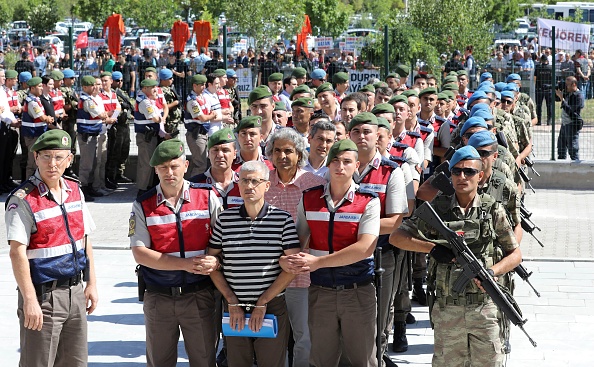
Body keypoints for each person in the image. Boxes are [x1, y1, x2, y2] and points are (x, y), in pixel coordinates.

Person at [390, 146, 521, 367]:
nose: (462, 177)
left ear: (480, 176)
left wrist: (492, 271)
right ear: (449, 175)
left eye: (469, 172)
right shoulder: (437, 209)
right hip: (447, 307)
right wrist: (430, 248)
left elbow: (515, 254)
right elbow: (397, 236)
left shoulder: (492, 210)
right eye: (457, 171)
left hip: (483, 308)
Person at [6, 129, 98, 367]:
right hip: (43, 297)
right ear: (35, 157)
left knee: (76, 363)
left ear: (69, 160)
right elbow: (17, 252)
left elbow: (85, 240)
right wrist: (29, 300)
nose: (52, 163)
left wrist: (92, 283)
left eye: (59, 157)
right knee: (38, 363)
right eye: (46, 156)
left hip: (75, 292)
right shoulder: (23, 199)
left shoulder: (75, 191)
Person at [285, 139, 380, 367]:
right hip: (320, 292)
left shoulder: (368, 201)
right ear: (328, 164)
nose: (340, 166)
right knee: (321, 360)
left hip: (358, 291)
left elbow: (365, 247)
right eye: (335, 161)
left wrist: (318, 262)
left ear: (357, 165)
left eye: (347, 161)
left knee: (362, 360)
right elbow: (298, 240)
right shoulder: (309, 198)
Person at [130, 139, 222, 367]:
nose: (169, 172)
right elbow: (140, 253)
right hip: (159, 297)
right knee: (160, 361)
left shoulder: (207, 196)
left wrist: (216, 261)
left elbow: (223, 239)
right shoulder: (143, 204)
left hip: (199, 295)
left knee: (204, 360)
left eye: (174, 166)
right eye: (162, 168)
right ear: (155, 170)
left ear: (186, 165)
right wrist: (185, 264)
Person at [208, 160, 300, 367]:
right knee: (237, 362)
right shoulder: (225, 220)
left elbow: (293, 267)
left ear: (267, 185)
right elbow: (211, 263)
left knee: (271, 363)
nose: (249, 186)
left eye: (254, 181)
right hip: (233, 306)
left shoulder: (282, 220)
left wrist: (263, 302)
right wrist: (231, 301)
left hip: (272, 306)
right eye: (244, 181)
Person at [264, 127, 327, 367]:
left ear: (299, 154)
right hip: (268, 274)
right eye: (277, 150)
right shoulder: (263, 182)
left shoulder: (315, 184)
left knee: (304, 336)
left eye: (288, 151)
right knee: (274, 335)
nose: (282, 156)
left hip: (303, 274)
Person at [21, 76, 54, 179]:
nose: (41, 88)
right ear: (32, 89)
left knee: (37, 162)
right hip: (32, 135)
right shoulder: (32, 102)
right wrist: (48, 119)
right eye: (39, 86)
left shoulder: (36, 100)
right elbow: (41, 117)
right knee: (32, 163)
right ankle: (29, 187)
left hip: (37, 134)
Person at [184, 74, 217, 176]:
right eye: (201, 85)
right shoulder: (192, 101)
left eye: (204, 84)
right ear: (194, 86)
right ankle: (193, 186)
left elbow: (209, 110)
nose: (204, 87)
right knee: (200, 164)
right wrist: (212, 115)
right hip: (196, 134)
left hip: (203, 133)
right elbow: (202, 118)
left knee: (202, 162)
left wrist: (210, 114)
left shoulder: (202, 97)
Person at [106, 71, 134, 186]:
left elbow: (130, 104)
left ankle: (119, 173)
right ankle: (110, 176)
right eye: (117, 81)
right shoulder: (112, 94)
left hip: (125, 125)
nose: (120, 83)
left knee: (124, 151)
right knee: (114, 152)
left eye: (121, 80)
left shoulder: (122, 93)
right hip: (117, 126)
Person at [556, 76, 584, 161]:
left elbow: (571, 111)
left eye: (567, 85)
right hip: (564, 124)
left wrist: (562, 100)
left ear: (574, 84)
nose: (566, 87)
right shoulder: (568, 92)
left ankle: (576, 170)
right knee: (561, 148)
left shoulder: (578, 96)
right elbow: (556, 99)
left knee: (573, 149)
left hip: (572, 124)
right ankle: (561, 168)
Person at [533, 55, 553, 126]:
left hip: (539, 89)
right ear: (547, 60)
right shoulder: (551, 68)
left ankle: (539, 121)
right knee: (549, 105)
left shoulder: (538, 68)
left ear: (541, 60)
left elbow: (535, 78)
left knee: (538, 105)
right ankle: (549, 121)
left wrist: (537, 85)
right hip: (549, 89)